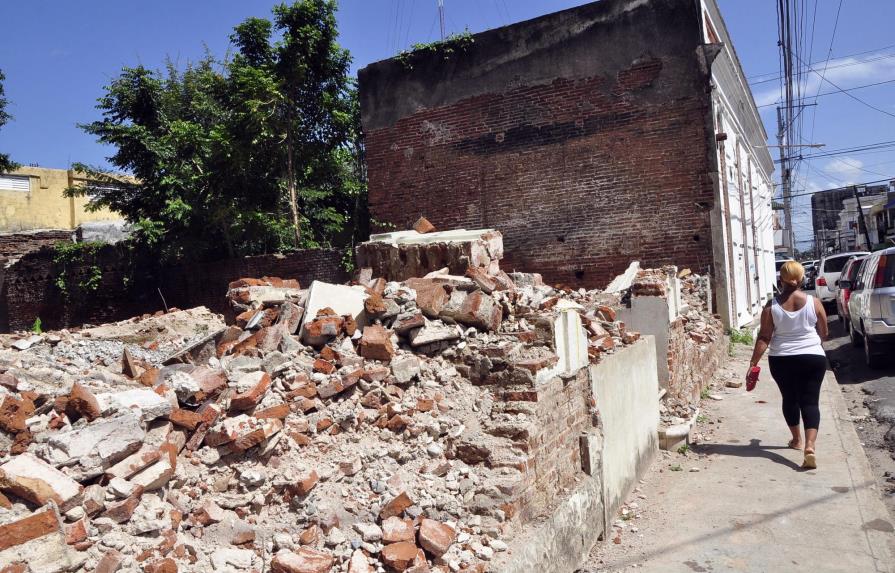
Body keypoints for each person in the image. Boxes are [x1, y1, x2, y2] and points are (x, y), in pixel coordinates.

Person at [747, 260, 829, 469]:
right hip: (813, 357)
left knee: (790, 398)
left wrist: (753, 363)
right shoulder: (814, 302)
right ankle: (810, 446)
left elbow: (764, 337)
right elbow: (824, 333)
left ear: (780, 279)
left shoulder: (771, 306)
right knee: (810, 402)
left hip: (782, 359)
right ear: (801, 278)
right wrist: (811, 346)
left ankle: (796, 440)